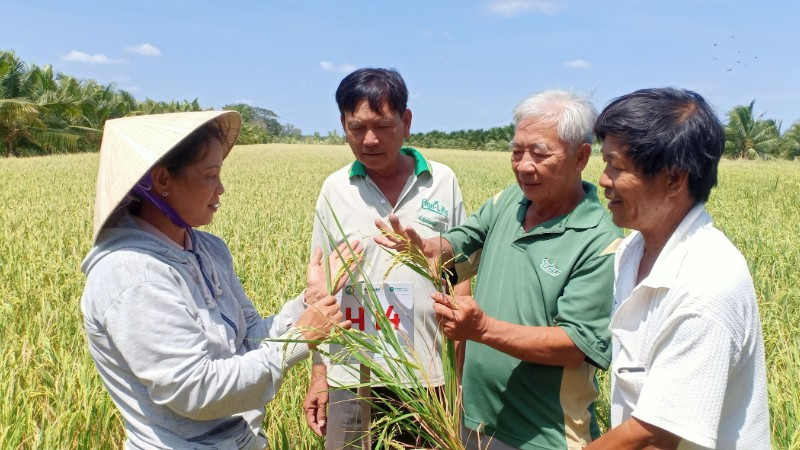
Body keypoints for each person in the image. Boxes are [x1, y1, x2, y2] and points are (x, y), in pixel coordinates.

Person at [80, 111, 362, 449]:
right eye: (210, 175)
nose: (221, 189)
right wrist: (300, 338)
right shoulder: (131, 275)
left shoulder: (208, 250)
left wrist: (308, 303)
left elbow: (248, 342)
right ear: (162, 181)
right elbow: (195, 391)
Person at [376, 90, 623, 449]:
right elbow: (463, 241)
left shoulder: (601, 242)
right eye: (517, 151)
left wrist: (484, 330)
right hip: (476, 422)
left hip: (544, 435)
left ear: (581, 157)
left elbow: (576, 344)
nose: (524, 165)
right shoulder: (509, 201)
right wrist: (428, 249)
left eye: (540, 154)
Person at [585, 88, 770, 449]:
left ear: (674, 179)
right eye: (604, 164)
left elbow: (655, 435)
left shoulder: (707, 282)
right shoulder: (631, 250)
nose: (604, 180)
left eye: (617, 166)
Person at [301, 67, 470, 449]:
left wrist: (460, 372)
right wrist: (319, 373)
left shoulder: (442, 182)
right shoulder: (335, 189)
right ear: (342, 125)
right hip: (353, 371)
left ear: (406, 121)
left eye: (382, 125)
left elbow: (461, 275)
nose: (370, 140)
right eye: (356, 128)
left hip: (429, 374)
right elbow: (319, 285)